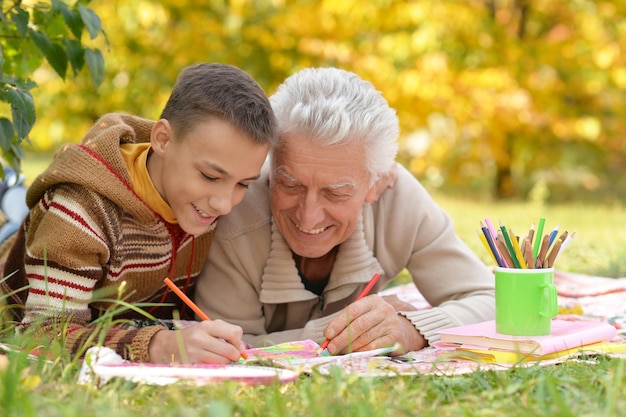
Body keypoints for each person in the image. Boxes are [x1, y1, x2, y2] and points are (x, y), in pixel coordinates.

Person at [195, 67, 495, 355]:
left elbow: (492, 300)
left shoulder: (398, 199)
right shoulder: (235, 209)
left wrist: (411, 328)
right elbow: (228, 346)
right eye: (290, 184)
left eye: (336, 193)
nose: (308, 216)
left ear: (376, 183)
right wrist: (344, 334)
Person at [0, 63, 277, 364]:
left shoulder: (197, 199)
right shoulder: (80, 211)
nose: (224, 205)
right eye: (210, 177)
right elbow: (43, 337)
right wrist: (158, 346)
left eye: (243, 184)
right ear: (162, 140)